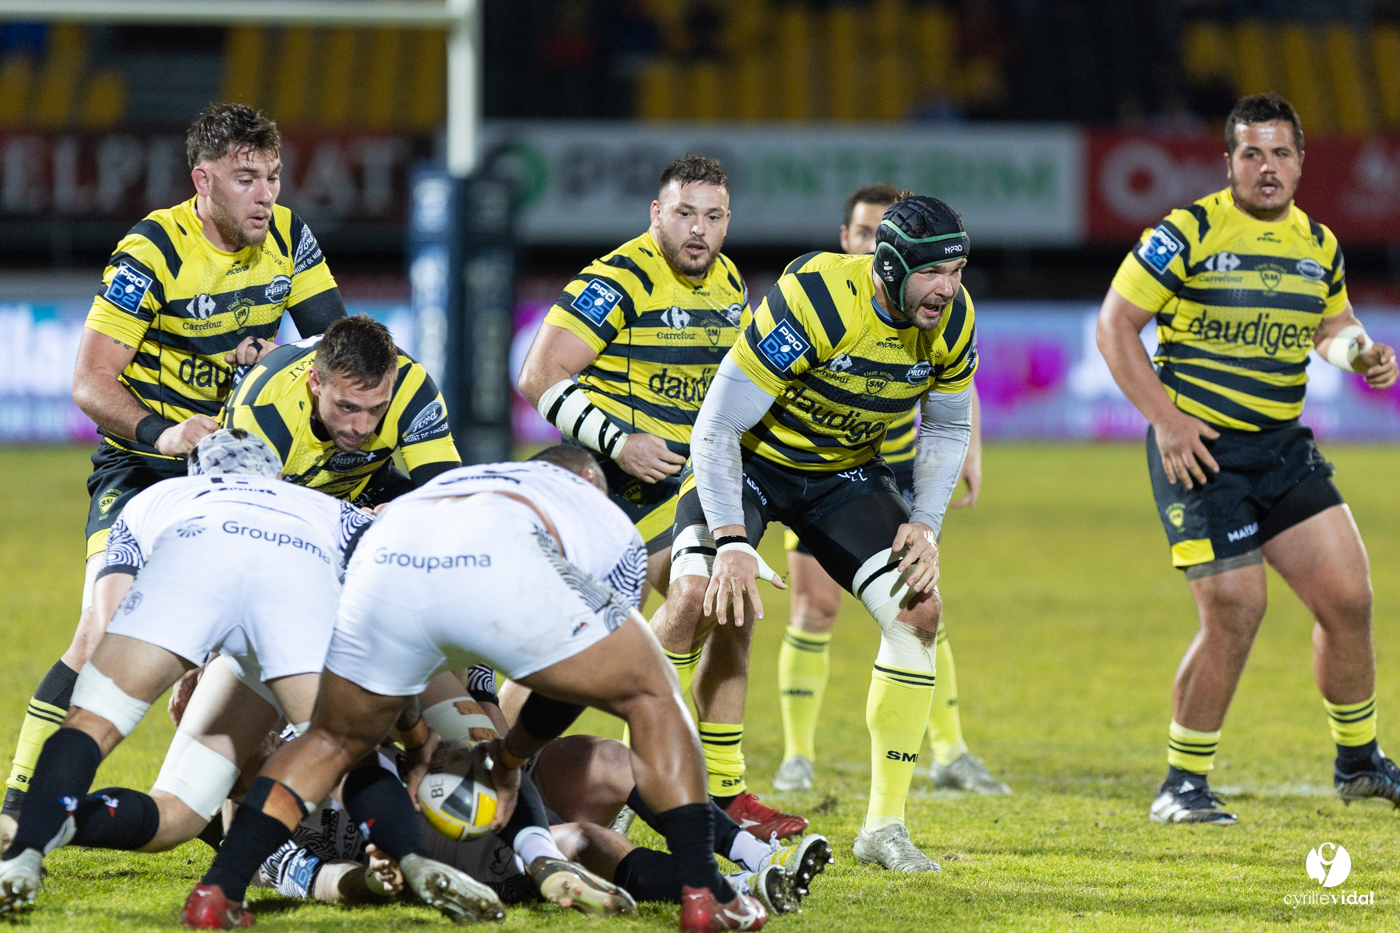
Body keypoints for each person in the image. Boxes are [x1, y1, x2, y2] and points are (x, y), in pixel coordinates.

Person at [182, 454, 770, 931]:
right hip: (487, 574)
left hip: (384, 561)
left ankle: (218, 891)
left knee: (334, 738)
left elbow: (397, 671)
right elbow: (567, 687)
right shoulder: (606, 525)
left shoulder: (450, 489)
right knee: (652, 697)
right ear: (589, 487)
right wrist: (509, 760)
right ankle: (705, 894)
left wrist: (420, 746)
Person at [1, 102, 346, 844]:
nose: (266, 195)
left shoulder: (291, 238)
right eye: (246, 178)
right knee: (102, 630)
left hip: (234, 473)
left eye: (274, 177)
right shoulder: (152, 250)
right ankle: (19, 805)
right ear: (203, 180)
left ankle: (227, 810)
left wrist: (285, 363)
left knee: (249, 645)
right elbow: (91, 381)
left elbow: (335, 351)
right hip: (142, 466)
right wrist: (168, 432)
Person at [0, 432, 492, 923]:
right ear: (278, 477)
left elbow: (110, 617)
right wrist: (415, 737)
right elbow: (386, 626)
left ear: (197, 475)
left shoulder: (155, 498)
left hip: (192, 584)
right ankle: (412, 857)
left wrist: (155, 665)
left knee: (119, 751)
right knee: (339, 748)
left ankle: (25, 848)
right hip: (289, 600)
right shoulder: (330, 510)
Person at [1096, 92, 1400, 825]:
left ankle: (1358, 763)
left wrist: (1359, 352)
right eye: (1252, 153)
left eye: (1281, 153)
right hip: (1202, 451)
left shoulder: (1318, 243)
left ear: (1301, 161)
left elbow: (1331, 325)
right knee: (1237, 608)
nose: (1268, 167)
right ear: (1229, 161)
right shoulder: (1188, 231)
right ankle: (1181, 784)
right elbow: (1115, 325)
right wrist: (1167, 421)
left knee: (1349, 596)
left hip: (1281, 447)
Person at [660, 195, 978, 873]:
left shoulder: (954, 320)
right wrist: (732, 541)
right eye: (932, 272)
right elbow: (718, 425)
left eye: (956, 271)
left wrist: (925, 523)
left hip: (841, 476)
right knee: (692, 596)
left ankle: (884, 827)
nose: (947, 289)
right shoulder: (815, 300)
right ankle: (642, 787)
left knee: (919, 611)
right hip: (750, 463)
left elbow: (949, 424)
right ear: (889, 266)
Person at [517, 155, 801, 839]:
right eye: (684, 213)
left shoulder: (729, 283)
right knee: (560, 650)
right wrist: (620, 442)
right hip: (605, 489)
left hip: (681, 488)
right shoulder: (619, 277)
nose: (698, 230)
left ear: (728, 221)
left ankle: (718, 789)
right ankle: (507, 761)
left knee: (727, 597)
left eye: (713, 216)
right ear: (656, 214)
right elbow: (539, 377)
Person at [772, 183, 1006, 797]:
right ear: (848, 239)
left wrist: (970, 450)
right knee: (815, 608)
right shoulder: (821, 300)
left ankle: (950, 750)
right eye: (864, 233)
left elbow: (953, 381)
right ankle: (797, 755)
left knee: (922, 603)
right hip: (828, 468)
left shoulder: (934, 309)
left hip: (902, 468)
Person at [224, 314, 461, 505]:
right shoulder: (260, 409)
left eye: (377, 408)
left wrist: (399, 518)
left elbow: (448, 501)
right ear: (316, 382)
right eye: (347, 407)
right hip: (289, 504)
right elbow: (247, 523)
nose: (362, 428)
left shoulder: (410, 386)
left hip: (365, 490)